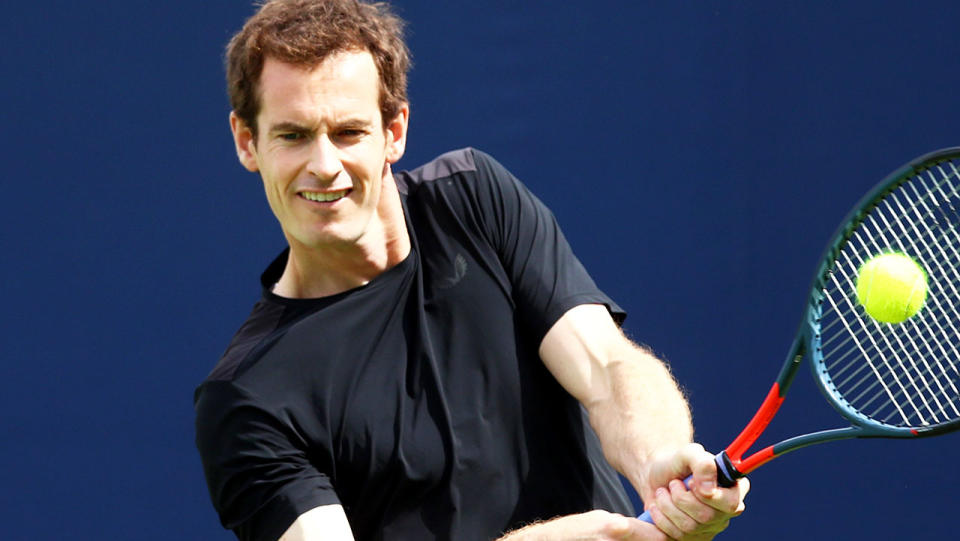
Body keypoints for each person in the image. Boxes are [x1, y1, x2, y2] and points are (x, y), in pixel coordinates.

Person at [193, 1, 749, 540]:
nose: (324, 165)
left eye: (348, 132)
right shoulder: (247, 399)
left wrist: (660, 463)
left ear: (394, 131)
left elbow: (606, 365)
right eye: (293, 135)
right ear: (248, 141)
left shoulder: (473, 200)